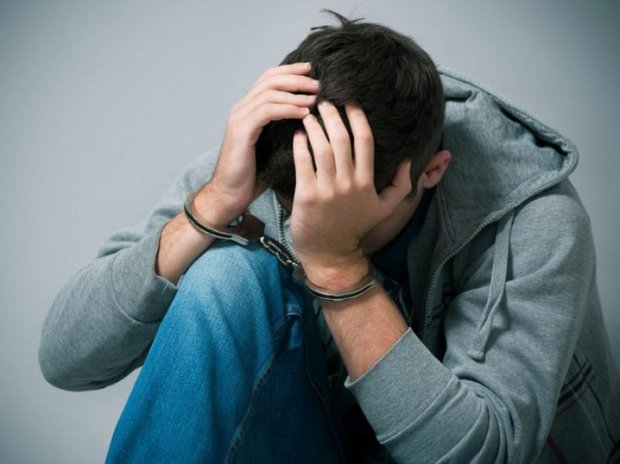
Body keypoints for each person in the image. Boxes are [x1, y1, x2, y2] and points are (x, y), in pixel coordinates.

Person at [39, 11, 620, 464]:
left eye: (347, 210)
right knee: (223, 274)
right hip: (313, 441)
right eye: (296, 208)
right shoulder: (264, 167)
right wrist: (212, 204)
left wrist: (337, 264)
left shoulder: (535, 218)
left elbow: (482, 454)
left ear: (431, 172)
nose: (308, 220)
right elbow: (66, 361)